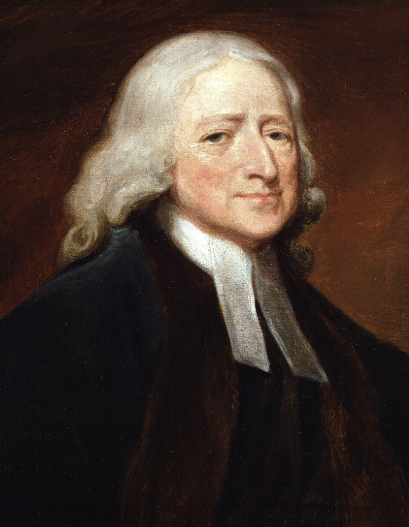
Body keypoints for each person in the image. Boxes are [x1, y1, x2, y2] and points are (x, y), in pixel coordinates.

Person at [1, 31, 409, 527]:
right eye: (219, 136)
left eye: (277, 135)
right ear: (155, 159)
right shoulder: (67, 326)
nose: (264, 167)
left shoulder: (346, 346)